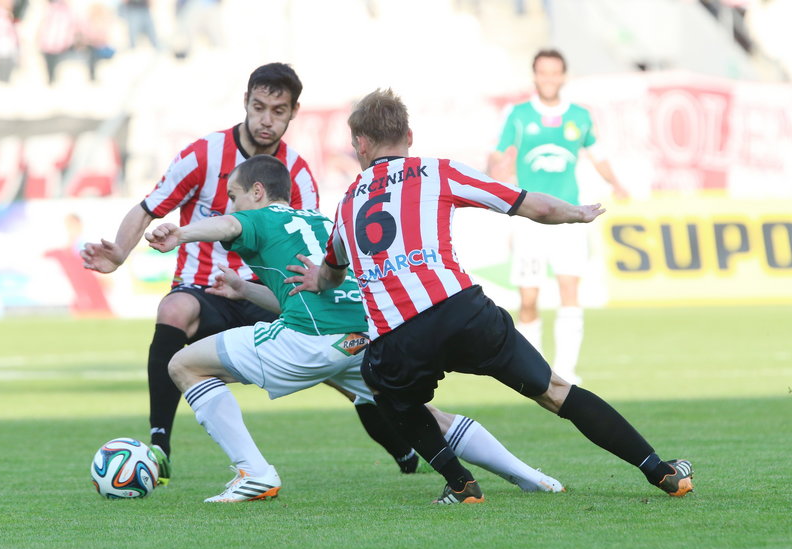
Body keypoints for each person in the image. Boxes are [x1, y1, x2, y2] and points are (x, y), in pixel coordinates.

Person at [286, 88, 693, 504]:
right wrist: (576, 212)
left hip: (398, 337)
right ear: (409, 135)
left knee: (383, 390)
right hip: (461, 314)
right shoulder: (436, 171)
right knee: (556, 391)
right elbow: (530, 205)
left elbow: (332, 272)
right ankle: (662, 472)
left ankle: (460, 483)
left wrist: (314, 280)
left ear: (360, 143)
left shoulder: (350, 202)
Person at [81, 63, 435, 484]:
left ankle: (406, 446)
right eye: (259, 107)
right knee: (174, 308)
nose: (267, 120)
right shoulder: (203, 154)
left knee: (347, 372)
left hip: (271, 293)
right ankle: (160, 445)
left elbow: (312, 246)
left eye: (278, 111)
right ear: (245, 102)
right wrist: (120, 252)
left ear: (293, 112)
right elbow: (149, 207)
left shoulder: (297, 173)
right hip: (206, 287)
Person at [145, 154, 565, 502]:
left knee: (184, 365)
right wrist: (241, 289)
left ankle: (253, 472)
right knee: (428, 417)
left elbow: (230, 226)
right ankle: (530, 476)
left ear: (257, 192)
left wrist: (179, 233)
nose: (231, 207)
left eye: (234, 196)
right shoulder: (317, 221)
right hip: (360, 335)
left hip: (309, 340)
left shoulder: (261, 218)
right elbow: (303, 295)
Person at [487, 49, 629, 386]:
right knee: (529, 297)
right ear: (534, 76)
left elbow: (597, 154)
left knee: (569, 289)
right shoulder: (519, 115)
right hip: (530, 217)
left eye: (554, 72)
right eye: (542, 72)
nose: (549, 78)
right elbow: (499, 155)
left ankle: (566, 371)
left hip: (570, 216)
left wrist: (617, 184)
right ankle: (532, 372)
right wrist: (495, 172)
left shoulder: (579, 116)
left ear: (563, 76)